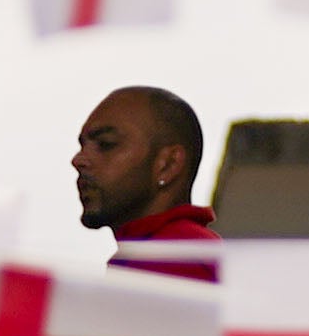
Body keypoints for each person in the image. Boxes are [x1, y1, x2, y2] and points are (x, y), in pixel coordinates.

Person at [70, 85, 213, 249]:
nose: (78, 160)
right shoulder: (176, 250)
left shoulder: (177, 255)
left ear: (168, 165)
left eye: (105, 144)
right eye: (82, 146)